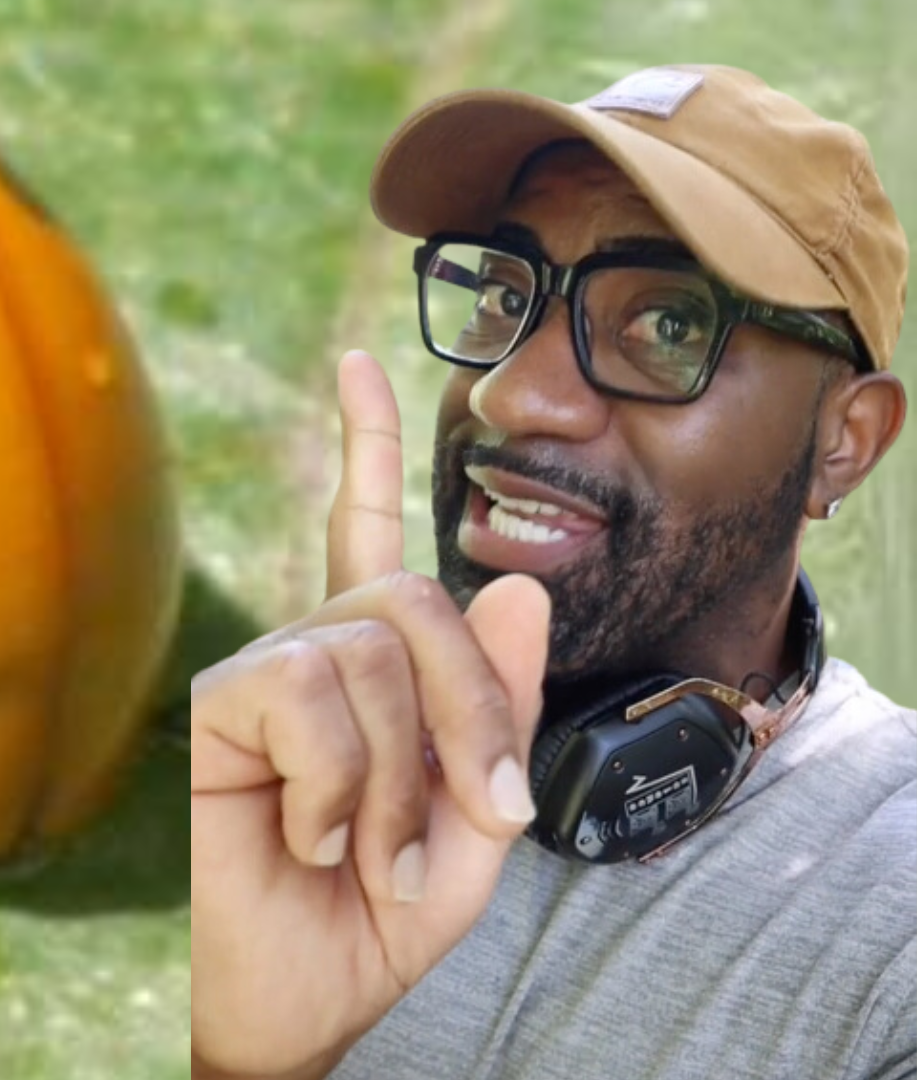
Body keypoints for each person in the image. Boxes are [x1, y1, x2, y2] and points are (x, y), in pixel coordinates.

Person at [191, 65, 917, 1080]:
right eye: (502, 293)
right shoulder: (257, 785)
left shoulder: (894, 926)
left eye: (670, 325)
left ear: (846, 439)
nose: (511, 395)